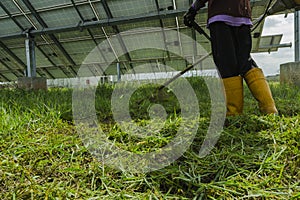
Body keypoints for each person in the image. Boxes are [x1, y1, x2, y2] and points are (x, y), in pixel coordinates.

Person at [184, 0, 278, 116]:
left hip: (221, 17)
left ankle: (234, 114)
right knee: (246, 63)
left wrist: (192, 9)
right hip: (243, 17)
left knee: (227, 65)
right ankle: (269, 109)